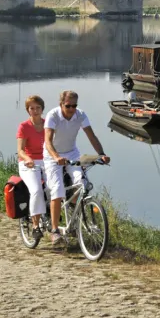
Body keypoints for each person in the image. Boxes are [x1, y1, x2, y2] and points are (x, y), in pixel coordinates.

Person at [43, 90, 110, 245]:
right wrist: (56, 157)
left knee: (81, 184)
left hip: (72, 153)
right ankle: (54, 231)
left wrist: (101, 154)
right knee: (58, 189)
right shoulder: (53, 115)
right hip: (52, 155)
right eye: (68, 106)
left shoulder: (80, 115)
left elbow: (91, 136)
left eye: (74, 105)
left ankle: (75, 219)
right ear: (61, 104)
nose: (72, 109)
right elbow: (48, 141)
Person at [16, 95, 47, 240]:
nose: (35, 111)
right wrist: (27, 159)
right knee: (36, 190)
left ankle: (53, 224)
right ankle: (35, 226)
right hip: (28, 162)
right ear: (28, 110)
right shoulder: (24, 127)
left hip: (46, 161)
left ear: (42, 109)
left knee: (56, 188)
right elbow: (20, 150)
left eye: (38, 108)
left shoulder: (48, 124)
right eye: (31, 108)